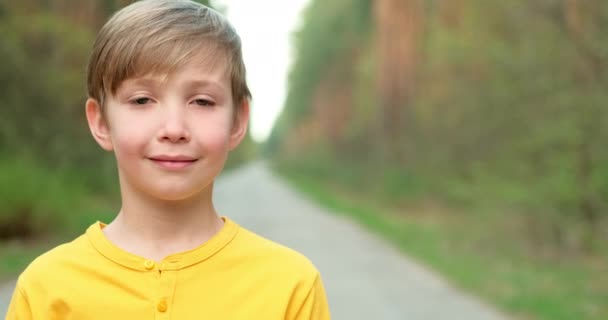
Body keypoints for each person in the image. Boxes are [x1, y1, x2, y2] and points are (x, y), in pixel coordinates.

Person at [5, 0, 330, 319]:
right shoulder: (45, 289)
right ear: (101, 122)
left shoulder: (290, 287)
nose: (174, 129)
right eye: (142, 99)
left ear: (237, 121)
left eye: (202, 102)